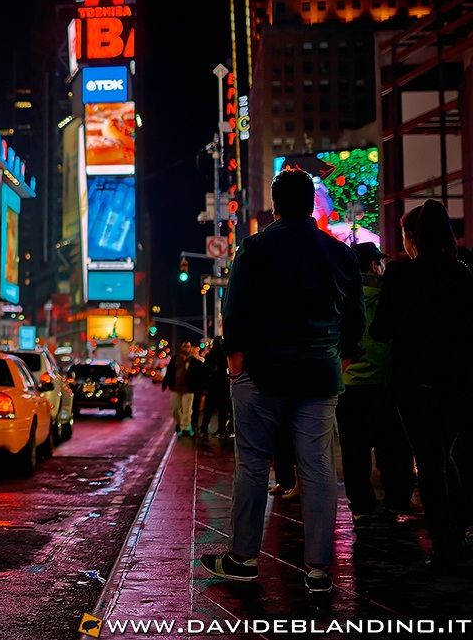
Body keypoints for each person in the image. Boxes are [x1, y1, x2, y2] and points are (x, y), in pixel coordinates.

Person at [200, 168, 364, 594]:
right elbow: (355, 324)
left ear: (275, 205)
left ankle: (243, 558)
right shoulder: (340, 253)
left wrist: (237, 367)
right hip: (319, 374)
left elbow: (234, 315)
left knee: (253, 465)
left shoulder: (255, 248)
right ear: (312, 203)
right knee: (319, 467)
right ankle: (317, 568)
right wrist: (337, 362)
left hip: (263, 373)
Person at [371, 200, 473, 568]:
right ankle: (461, 528)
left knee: (429, 460)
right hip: (456, 382)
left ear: (412, 237)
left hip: (413, 382)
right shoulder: (461, 273)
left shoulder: (400, 275)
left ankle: (446, 543)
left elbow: (380, 330)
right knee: (443, 455)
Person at [335, 241, 416, 523]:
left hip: (349, 386)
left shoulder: (341, 298)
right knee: (393, 448)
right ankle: (396, 501)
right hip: (384, 383)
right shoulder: (387, 296)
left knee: (354, 453)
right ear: (373, 265)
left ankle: (362, 507)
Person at [199, 337, 233, 438]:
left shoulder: (210, 356)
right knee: (222, 410)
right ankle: (221, 429)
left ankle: (204, 429)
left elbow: (205, 371)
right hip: (223, 385)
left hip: (212, 386)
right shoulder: (225, 355)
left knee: (209, 409)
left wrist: (204, 386)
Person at [163, 341, 196, 437]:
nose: (186, 348)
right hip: (175, 388)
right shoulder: (175, 359)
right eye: (184, 346)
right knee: (175, 409)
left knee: (187, 410)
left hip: (188, 389)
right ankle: (181, 423)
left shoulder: (193, 360)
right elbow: (169, 371)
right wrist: (165, 383)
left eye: (188, 347)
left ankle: (185, 428)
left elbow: (199, 373)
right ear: (181, 348)